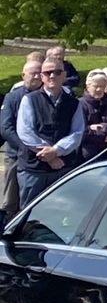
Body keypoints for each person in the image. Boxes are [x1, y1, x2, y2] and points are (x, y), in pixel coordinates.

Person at [15, 56, 84, 207]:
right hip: (33, 170)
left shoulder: (74, 104)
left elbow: (77, 133)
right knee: (28, 214)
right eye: (47, 73)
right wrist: (50, 156)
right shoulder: (29, 100)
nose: (52, 75)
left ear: (65, 75)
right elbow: (25, 132)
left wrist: (56, 151)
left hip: (62, 168)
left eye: (57, 72)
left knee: (57, 214)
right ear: (41, 77)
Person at [0, 52, 43, 217]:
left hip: (40, 158)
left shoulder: (47, 98)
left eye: (40, 73)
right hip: (16, 155)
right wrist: (27, 148)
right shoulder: (12, 97)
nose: (37, 76)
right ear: (23, 75)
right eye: (33, 73)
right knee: (11, 201)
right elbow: (6, 128)